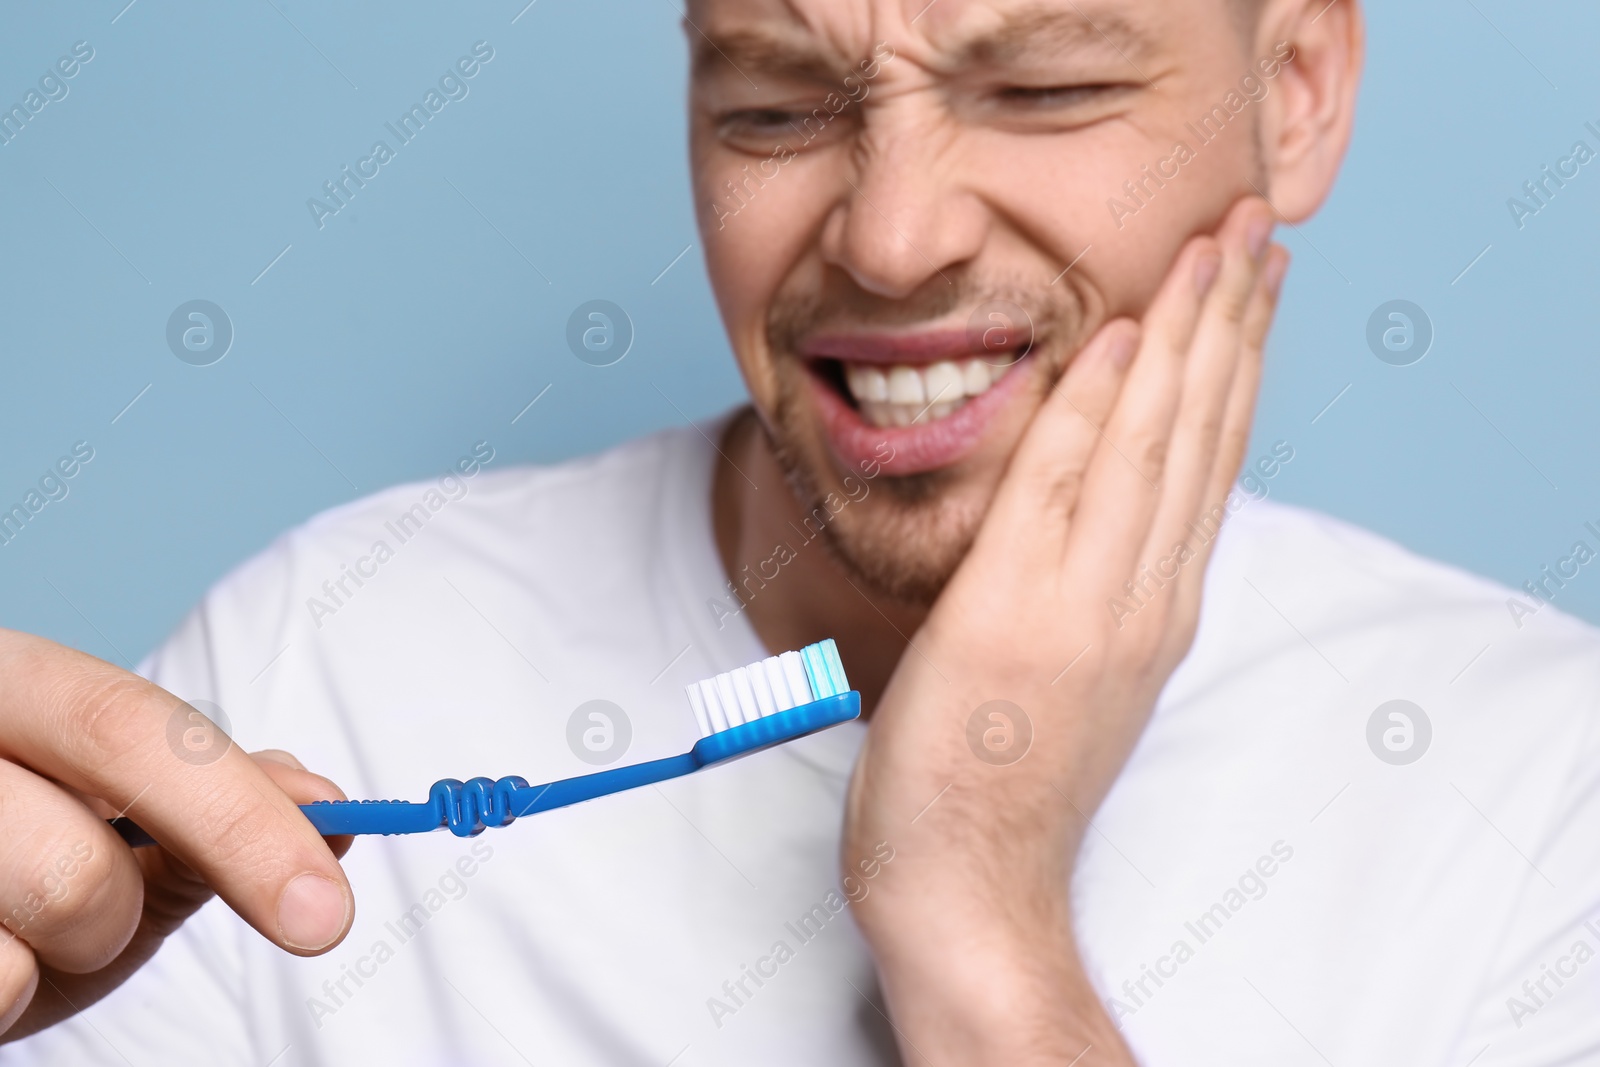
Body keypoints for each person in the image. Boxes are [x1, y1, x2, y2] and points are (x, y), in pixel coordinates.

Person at [3, 0, 1597, 1063]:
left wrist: (979, 918)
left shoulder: (1545, 798)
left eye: (1044, 90)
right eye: (772, 109)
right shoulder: (324, 663)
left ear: (1297, 91)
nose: (894, 240)